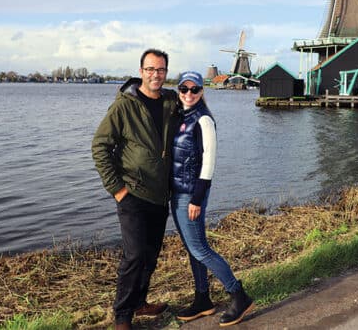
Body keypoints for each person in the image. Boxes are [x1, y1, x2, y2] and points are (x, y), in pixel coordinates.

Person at [92, 49, 180, 330]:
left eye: (161, 70)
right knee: (134, 255)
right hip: (132, 193)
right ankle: (122, 315)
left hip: (159, 194)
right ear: (141, 71)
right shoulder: (125, 106)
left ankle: (140, 302)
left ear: (166, 73)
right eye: (151, 69)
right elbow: (99, 146)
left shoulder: (170, 101)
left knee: (151, 254)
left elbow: (192, 112)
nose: (156, 75)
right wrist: (116, 188)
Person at [170, 71, 255, 327]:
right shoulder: (181, 116)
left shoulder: (203, 120)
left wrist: (197, 198)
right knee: (193, 248)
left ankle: (238, 296)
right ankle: (202, 299)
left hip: (191, 195)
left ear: (202, 91)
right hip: (177, 192)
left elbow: (209, 162)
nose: (188, 94)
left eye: (194, 89)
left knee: (200, 249)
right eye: (183, 89)